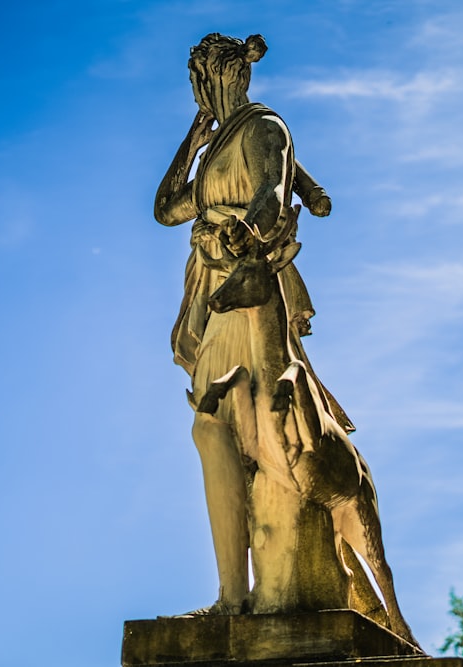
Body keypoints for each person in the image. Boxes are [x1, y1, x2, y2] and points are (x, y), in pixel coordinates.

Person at [154, 33, 353, 615]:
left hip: (250, 287)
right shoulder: (215, 152)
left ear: (224, 75)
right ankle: (231, 596)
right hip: (215, 296)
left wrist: (247, 236)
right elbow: (167, 209)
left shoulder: (266, 129)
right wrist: (190, 144)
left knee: (248, 422)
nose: (199, 92)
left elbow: (272, 194)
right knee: (209, 429)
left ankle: (273, 579)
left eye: (202, 80)